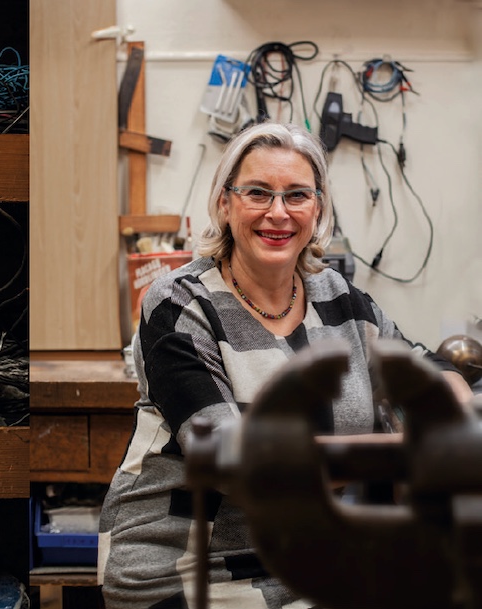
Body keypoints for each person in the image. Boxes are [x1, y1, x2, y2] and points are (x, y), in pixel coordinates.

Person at [97, 121, 472, 609]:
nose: (278, 212)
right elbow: (244, 465)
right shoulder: (178, 304)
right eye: (258, 192)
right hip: (188, 565)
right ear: (225, 204)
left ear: (318, 210)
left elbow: (426, 368)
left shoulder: (337, 298)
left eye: (297, 195)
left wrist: (451, 404)